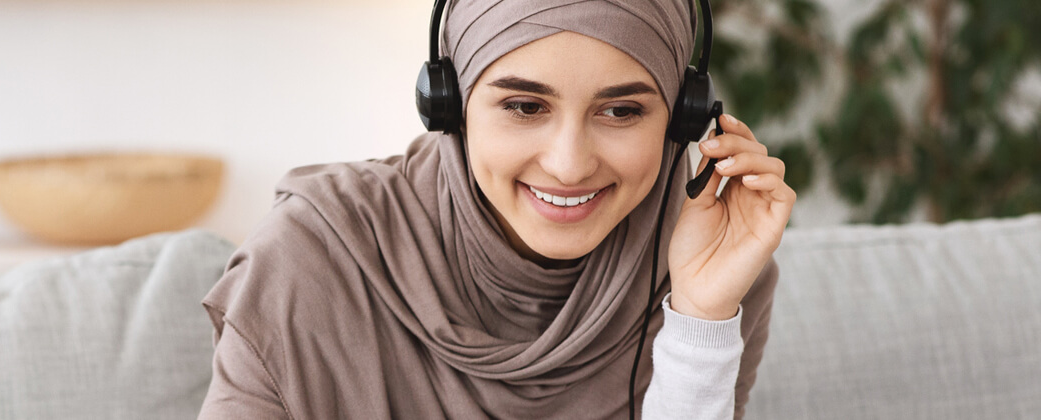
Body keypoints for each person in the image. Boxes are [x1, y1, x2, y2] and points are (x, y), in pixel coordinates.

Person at [198, 0, 795, 418]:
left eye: (621, 112)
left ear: (683, 118)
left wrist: (699, 323)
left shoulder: (707, 277)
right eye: (524, 106)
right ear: (450, 105)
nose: (568, 165)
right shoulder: (307, 258)